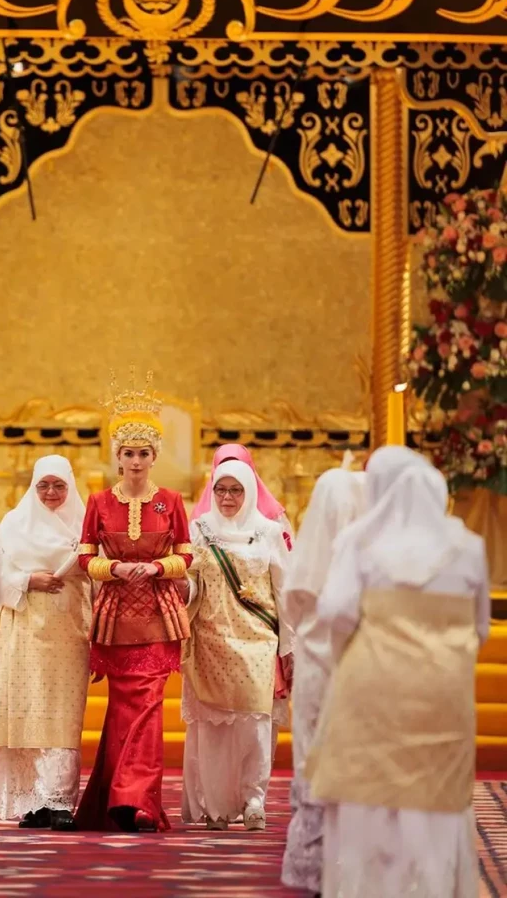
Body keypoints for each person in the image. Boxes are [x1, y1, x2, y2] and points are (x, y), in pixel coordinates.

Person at [306, 447, 491, 898]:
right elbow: (480, 627)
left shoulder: (361, 541)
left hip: (370, 688)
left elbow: (335, 612)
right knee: (437, 802)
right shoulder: (469, 547)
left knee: (366, 805)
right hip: (442, 692)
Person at [75, 381, 192, 832]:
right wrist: (114, 570)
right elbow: (85, 557)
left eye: (144, 454)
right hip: (116, 617)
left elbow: (186, 555)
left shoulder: (172, 502)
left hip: (160, 618)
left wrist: (159, 568)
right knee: (124, 706)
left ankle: (133, 798)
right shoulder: (99, 502)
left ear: (154, 457)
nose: (136, 462)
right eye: (128, 453)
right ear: (117, 457)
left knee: (148, 705)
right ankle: (121, 796)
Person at [0, 454, 91, 830]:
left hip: (69, 628)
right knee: (27, 709)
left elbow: (96, 576)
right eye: (43, 484)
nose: (50, 492)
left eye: (59, 485)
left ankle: (59, 800)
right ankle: (34, 801)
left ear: (70, 486)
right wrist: (29, 580)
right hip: (23, 625)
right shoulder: (13, 522)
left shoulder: (84, 524)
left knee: (62, 712)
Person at [181, 461, 293, 831]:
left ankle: (254, 799)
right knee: (213, 727)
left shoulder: (269, 532)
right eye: (221, 490)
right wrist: (183, 590)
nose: (227, 498)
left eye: (236, 490)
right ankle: (215, 806)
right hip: (210, 637)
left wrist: (288, 645)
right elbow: (194, 582)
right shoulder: (198, 530)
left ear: (250, 491)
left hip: (258, 639)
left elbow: (283, 590)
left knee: (255, 723)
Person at [281, 466, 367, 894]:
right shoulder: (369, 549)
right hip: (357, 665)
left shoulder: (313, 549)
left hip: (316, 665)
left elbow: (292, 606)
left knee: (312, 752)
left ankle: (315, 863)